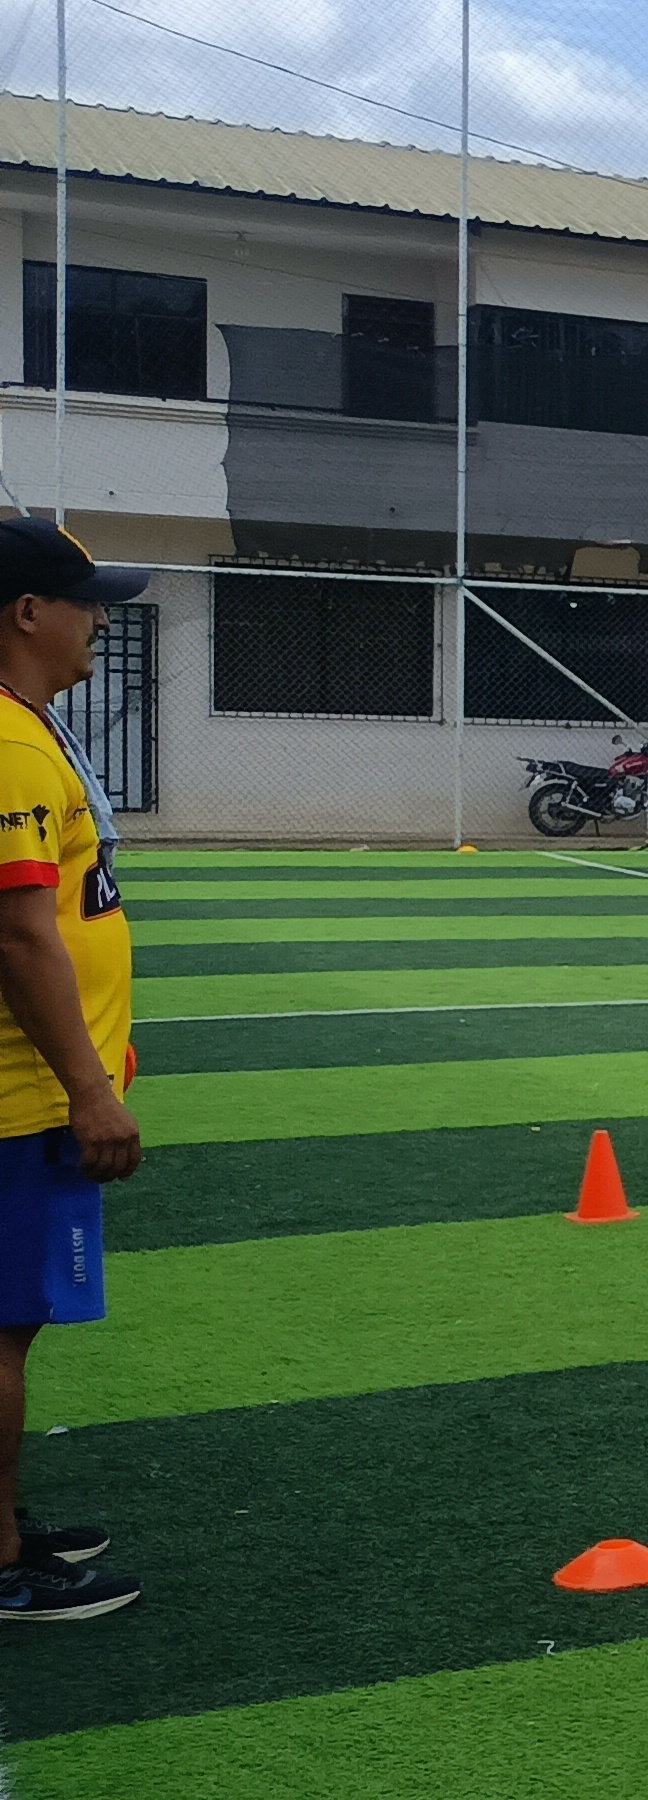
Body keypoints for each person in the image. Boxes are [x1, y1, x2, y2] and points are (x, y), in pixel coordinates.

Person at [0, 518, 145, 1622]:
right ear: (26, 613)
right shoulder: (7, 743)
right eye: (85, 600)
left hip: (32, 1090)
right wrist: (89, 1088)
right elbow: (18, 933)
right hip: (20, 1099)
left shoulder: (27, 728)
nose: (99, 619)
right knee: (2, 1327)